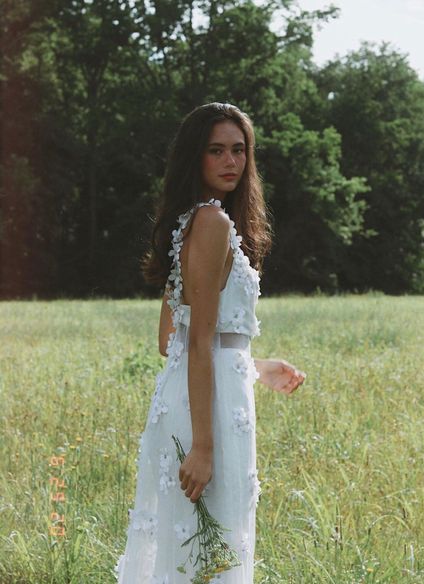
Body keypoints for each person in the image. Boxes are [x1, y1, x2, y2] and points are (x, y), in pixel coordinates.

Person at [115, 102, 306, 584]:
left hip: (195, 393)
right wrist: (202, 447)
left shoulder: (189, 224)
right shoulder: (212, 224)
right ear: (193, 158)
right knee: (210, 551)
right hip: (208, 414)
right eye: (216, 150)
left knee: (192, 550)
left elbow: (170, 339)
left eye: (239, 150)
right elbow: (195, 342)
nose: (231, 162)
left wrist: (253, 364)